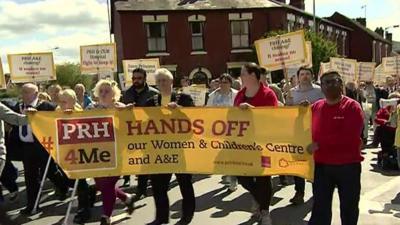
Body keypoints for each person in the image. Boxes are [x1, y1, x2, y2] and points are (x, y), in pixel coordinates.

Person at [308, 71, 364, 225]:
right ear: (321, 87)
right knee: (320, 207)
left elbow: (350, 136)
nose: (330, 85)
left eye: (334, 81)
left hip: (348, 167)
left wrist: (320, 144)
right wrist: (299, 111)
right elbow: (301, 126)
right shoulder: (316, 107)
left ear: (341, 84)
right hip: (322, 167)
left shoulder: (353, 106)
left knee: (349, 208)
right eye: (326, 82)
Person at [8, 83, 70, 215]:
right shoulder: (17, 107)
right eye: (22, 92)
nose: (23, 95)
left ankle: (63, 186)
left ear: (36, 94)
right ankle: (32, 204)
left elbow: (62, 118)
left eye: (26, 92)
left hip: (43, 146)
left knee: (51, 172)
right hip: (26, 147)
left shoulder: (47, 107)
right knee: (30, 177)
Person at [147, 68, 196, 225]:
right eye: (159, 81)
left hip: (181, 148)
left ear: (171, 82)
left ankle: (187, 216)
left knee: (185, 184)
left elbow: (197, 118)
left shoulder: (184, 98)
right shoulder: (150, 102)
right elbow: (138, 119)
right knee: (158, 186)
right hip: (160, 149)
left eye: (165, 80)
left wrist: (180, 111)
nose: (162, 83)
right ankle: (161, 217)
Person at [235, 63, 278, 225]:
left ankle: (265, 211)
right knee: (242, 177)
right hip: (243, 144)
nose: (241, 76)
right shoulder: (240, 94)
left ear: (253, 75)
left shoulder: (268, 94)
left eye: (243, 73)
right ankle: (259, 198)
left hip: (262, 143)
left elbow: (272, 116)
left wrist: (252, 109)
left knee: (263, 179)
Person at [88, 80, 135, 225]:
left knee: (108, 184)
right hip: (96, 153)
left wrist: (129, 113)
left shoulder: (121, 108)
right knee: (101, 184)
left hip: (116, 152)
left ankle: (106, 216)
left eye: (107, 91)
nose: (103, 94)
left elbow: (132, 127)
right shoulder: (90, 108)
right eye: (101, 91)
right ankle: (126, 198)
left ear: (114, 94)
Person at [285, 66, 324, 205]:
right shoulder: (291, 92)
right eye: (302, 74)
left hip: (315, 132)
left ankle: (317, 192)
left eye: (308, 74)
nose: (305, 76)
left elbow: (326, 108)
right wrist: (290, 105)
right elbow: (287, 113)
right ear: (297, 77)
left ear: (312, 76)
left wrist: (312, 106)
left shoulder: (320, 91)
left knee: (315, 164)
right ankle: (299, 192)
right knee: (298, 164)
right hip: (298, 133)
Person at [120, 68, 159, 198]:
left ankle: (143, 189)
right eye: (134, 78)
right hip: (132, 133)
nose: (136, 81)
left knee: (147, 161)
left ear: (145, 78)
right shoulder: (126, 94)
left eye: (139, 78)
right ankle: (136, 185)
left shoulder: (154, 94)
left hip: (150, 133)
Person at [206, 74, 238, 192]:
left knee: (231, 154)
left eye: (226, 82)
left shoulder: (236, 94)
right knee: (223, 154)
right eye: (221, 82)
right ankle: (228, 174)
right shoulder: (213, 96)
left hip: (233, 128)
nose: (223, 84)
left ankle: (233, 180)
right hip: (218, 130)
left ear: (230, 83)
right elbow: (208, 110)